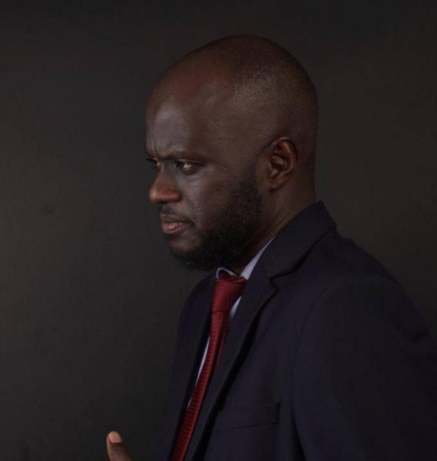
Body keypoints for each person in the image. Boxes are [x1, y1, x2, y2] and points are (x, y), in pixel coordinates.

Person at [105, 35, 437, 460]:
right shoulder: (205, 305)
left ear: (277, 164)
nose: (158, 191)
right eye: (156, 164)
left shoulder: (347, 306)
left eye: (185, 165)